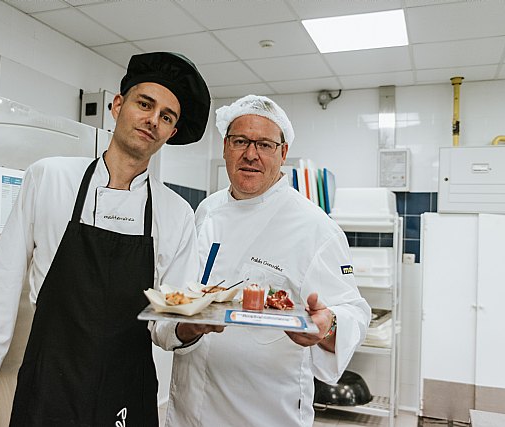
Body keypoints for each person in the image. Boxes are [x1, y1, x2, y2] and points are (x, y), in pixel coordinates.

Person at [0, 52, 211, 427]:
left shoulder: (177, 214)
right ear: (117, 105)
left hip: (127, 389)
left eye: (166, 117)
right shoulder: (49, 178)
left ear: (171, 131)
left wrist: (191, 325)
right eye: (144, 104)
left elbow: (167, 324)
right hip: (49, 382)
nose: (153, 120)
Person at [159, 95, 371, 427]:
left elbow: (353, 312)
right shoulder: (206, 211)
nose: (250, 154)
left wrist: (327, 326)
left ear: (283, 153)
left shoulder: (315, 228)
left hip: (265, 410)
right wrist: (187, 324)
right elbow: (186, 295)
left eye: (265, 144)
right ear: (226, 147)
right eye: (240, 141)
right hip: (189, 405)